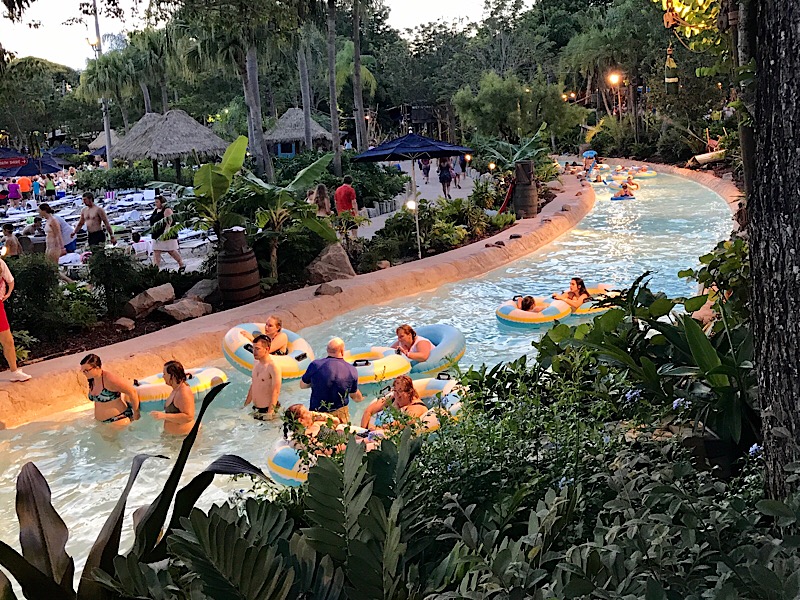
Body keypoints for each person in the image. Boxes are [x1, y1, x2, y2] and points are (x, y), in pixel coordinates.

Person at [300, 337, 362, 423]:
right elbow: (354, 396)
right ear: (342, 351)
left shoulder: (315, 365)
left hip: (318, 414)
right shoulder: (351, 370)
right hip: (339, 415)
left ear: (327, 350)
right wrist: (361, 399)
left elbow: (302, 385)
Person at [79, 354, 140, 424]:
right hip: (103, 423)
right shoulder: (92, 380)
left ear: (97, 367)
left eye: (86, 370)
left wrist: (136, 415)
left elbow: (132, 392)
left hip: (118, 419)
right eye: (83, 371)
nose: (84, 373)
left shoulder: (109, 380)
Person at [0, 257, 31, 381]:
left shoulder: (0, 263)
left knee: (7, 340)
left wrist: (7, 294)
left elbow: (10, 281)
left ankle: (14, 371)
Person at [360, 374, 428, 429]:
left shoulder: (416, 407)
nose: (397, 395)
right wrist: (363, 431)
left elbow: (403, 424)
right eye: (395, 390)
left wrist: (376, 428)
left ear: (409, 392)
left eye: (400, 391)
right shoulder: (392, 397)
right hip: (373, 429)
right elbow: (368, 411)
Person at [150, 360, 195, 435]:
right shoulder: (176, 389)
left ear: (172, 376)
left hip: (185, 436)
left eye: (164, 374)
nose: (163, 376)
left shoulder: (183, 392)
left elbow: (188, 417)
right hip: (174, 437)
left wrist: (163, 415)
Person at [244, 334, 282, 420]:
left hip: (268, 409)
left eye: (257, 349)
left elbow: (276, 391)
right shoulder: (256, 363)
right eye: (253, 348)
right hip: (256, 409)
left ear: (267, 349)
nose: (254, 352)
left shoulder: (273, 367)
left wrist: (270, 413)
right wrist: (245, 405)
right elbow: (254, 385)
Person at [149, 195, 184, 269]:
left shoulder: (167, 210)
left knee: (171, 251)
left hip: (166, 234)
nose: (156, 204)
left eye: (157, 202)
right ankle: (155, 268)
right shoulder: (156, 210)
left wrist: (165, 233)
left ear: (162, 202)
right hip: (156, 234)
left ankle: (181, 263)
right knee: (156, 251)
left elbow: (169, 223)